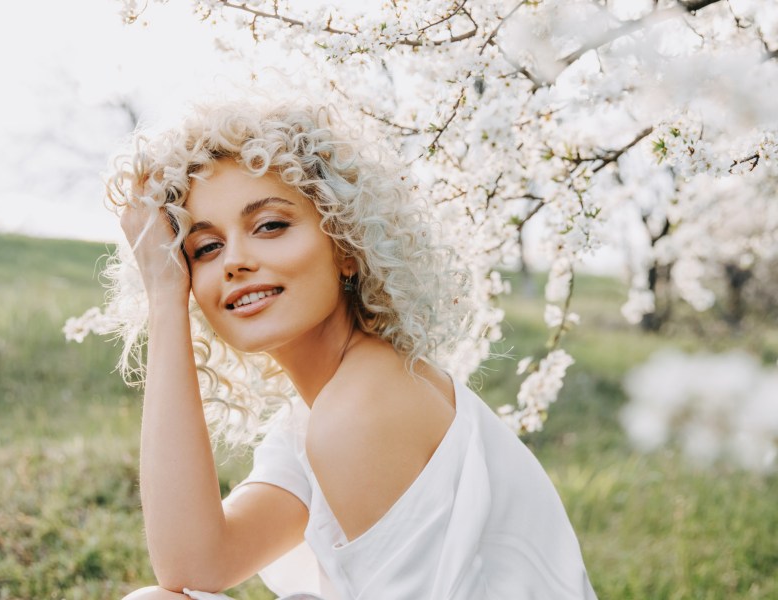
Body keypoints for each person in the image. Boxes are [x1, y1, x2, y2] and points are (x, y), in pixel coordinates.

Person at [106, 99, 596, 600]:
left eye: (270, 225)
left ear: (344, 245)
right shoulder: (320, 410)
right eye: (205, 248)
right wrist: (165, 297)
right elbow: (194, 565)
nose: (234, 261)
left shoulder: (361, 409)